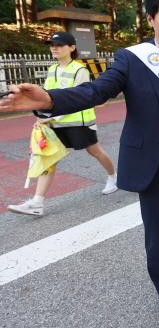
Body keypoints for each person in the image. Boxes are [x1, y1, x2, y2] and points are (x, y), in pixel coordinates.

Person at [0, 0, 159, 327]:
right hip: (157, 165)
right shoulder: (132, 59)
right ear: (151, 20)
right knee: (157, 237)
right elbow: (96, 91)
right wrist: (48, 99)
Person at [7, 32, 118, 216]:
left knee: (95, 151)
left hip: (79, 122)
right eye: (52, 44)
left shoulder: (80, 70)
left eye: (59, 44)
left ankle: (113, 177)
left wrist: (50, 116)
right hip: (55, 123)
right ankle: (37, 202)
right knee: (50, 158)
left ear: (72, 48)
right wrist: (42, 116)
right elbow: (47, 97)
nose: (54, 48)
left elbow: (83, 98)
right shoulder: (52, 69)